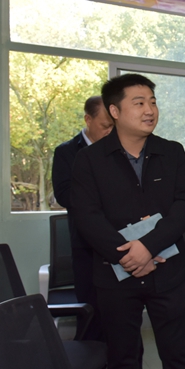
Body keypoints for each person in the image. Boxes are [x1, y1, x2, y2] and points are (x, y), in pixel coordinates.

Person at [71, 73, 185, 369]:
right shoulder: (89, 160)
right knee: (122, 358)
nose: (149, 110)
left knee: (178, 356)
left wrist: (148, 247)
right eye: (139, 103)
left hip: (168, 272)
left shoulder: (171, 152)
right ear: (114, 111)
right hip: (116, 276)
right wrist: (129, 256)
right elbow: (87, 217)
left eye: (153, 102)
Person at [52, 96, 114, 341]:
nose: (110, 131)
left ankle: (125, 363)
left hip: (119, 241)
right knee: (91, 309)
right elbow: (65, 195)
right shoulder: (66, 152)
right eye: (105, 126)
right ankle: (91, 360)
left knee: (120, 311)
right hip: (86, 244)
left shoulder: (119, 149)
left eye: (114, 126)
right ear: (88, 120)